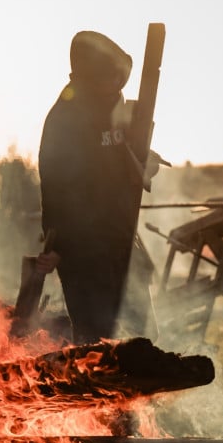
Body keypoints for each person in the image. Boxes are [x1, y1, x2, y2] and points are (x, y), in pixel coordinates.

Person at [35, 31, 162, 344]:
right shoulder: (64, 121)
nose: (118, 85)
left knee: (142, 338)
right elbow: (57, 189)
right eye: (110, 77)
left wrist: (144, 159)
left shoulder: (114, 109)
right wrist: (59, 244)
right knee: (98, 343)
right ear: (89, 77)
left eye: (120, 78)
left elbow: (124, 156)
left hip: (121, 239)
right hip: (84, 253)